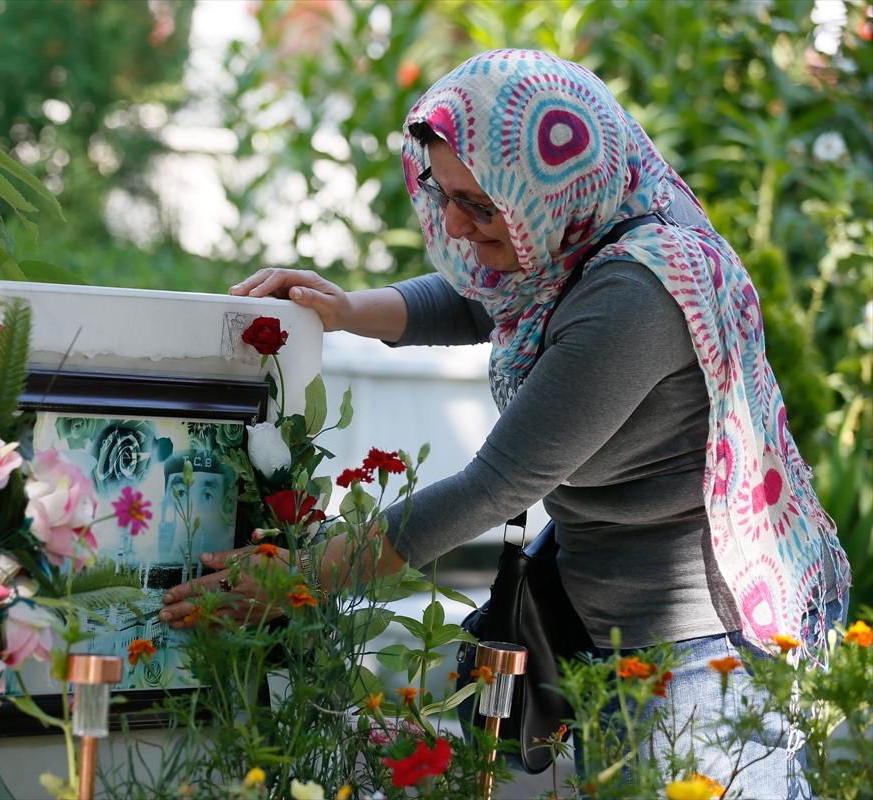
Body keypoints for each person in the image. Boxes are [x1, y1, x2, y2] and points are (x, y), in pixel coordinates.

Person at [160, 49, 850, 796]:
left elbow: (493, 486)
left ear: (552, 191)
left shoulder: (636, 294)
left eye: (482, 206)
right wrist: (349, 309)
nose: (455, 225)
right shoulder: (589, 227)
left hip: (693, 657)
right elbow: (490, 291)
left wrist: (301, 578)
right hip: (619, 631)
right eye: (444, 192)